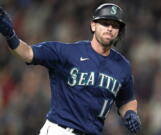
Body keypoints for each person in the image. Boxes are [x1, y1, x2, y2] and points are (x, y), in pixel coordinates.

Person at [0, 3, 141, 135]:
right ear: (93, 25)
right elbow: (28, 53)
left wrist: (130, 113)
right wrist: (11, 36)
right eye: (105, 23)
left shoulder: (123, 66)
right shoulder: (67, 52)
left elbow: (126, 100)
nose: (110, 28)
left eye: (115, 25)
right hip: (60, 130)